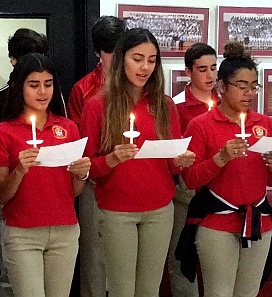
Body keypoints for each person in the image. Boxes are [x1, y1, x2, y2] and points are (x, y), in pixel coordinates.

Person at [80, 28, 195, 297]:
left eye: (152, 60)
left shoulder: (164, 104)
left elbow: (173, 164)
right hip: (117, 211)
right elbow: (88, 168)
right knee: (121, 290)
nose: (145, 67)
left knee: (149, 290)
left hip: (160, 210)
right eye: (137, 58)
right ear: (121, 60)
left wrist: (183, 159)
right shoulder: (97, 107)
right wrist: (112, 158)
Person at [179, 41, 272, 297]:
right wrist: (221, 158)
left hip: (259, 221)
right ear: (222, 87)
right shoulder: (201, 125)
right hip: (216, 224)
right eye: (241, 86)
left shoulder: (265, 124)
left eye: (253, 86)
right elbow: (191, 179)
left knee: (248, 292)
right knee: (219, 293)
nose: (249, 93)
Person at [0, 53, 91, 297]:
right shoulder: (5, 132)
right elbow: (0, 196)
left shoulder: (67, 128)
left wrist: (81, 174)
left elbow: (74, 192)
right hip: (22, 233)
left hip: (65, 230)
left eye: (48, 84)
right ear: (20, 87)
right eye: (34, 85)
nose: (42, 92)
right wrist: (19, 171)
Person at [66, 15, 126, 297]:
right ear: (97, 53)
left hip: (130, 180)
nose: (117, 58)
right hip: (94, 182)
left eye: (122, 50)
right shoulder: (84, 89)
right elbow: (80, 142)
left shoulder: (139, 85)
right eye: (110, 52)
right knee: (93, 255)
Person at [166, 42, 218, 297]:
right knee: (181, 257)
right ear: (188, 72)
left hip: (219, 189)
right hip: (187, 190)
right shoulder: (176, 107)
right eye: (202, 70)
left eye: (213, 68)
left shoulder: (224, 102)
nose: (210, 76)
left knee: (216, 259)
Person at [0, 28, 50, 126]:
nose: (42, 91)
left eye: (40, 58)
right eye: (29, 60)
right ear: (13, 60)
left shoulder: (51, 94)